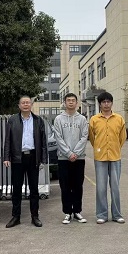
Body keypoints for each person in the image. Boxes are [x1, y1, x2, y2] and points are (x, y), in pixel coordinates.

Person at [3, 95, 48, 228]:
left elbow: (43, 141)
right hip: (18, 157)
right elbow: (8, 140)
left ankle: (35, 216)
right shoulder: (12, 120)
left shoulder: (38, 120)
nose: (26, 104)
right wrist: (6, 157)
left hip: (33, 157)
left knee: (34, 189)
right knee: (16, 189)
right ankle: (16, 217)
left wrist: (43, 159)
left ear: (31, 105)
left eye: (28, 102)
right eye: (23, 103)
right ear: (19, 105)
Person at [88, 91, 127, 224]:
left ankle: (117, 215)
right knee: (101, 187)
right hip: (100, 157)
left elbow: (122, 137)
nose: (106, 104)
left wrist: (115, 148)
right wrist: (99, 147)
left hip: (115, 157)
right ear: (100, 104)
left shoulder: (119, 119)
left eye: (108, 102)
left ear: (111, 103)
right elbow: (92, 138)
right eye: (103, 102)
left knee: (115, 187)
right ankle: (102, 215)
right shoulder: (94, 120)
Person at [53, 93, 89, 224]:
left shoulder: (82, 119)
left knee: (78, 185)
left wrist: (76, 153)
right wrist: (68, 153)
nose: (71, 102)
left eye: (73, 100)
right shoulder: (58, 119)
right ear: (64, 103)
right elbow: (58, 138)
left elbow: (84, 137)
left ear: (77, 103)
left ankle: (77, 211)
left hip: (79, 159)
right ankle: (67, 212)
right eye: (68, 100)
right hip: (63, 158)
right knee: (65, 186)